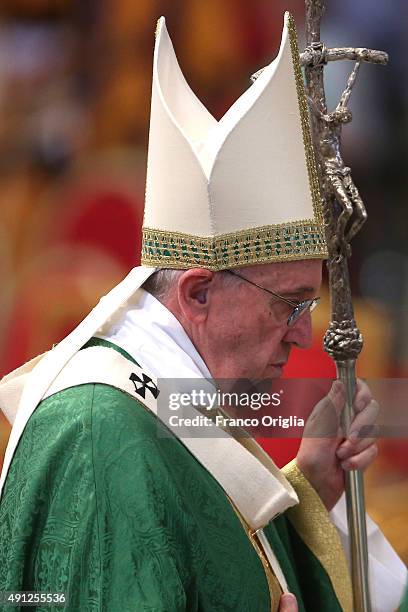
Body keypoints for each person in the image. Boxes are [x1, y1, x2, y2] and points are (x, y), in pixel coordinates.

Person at [0, 12, 406, 612]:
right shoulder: (98, 432)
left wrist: (309, 489)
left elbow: (213, 546)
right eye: (289, 306)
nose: (303, 337)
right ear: (196, 294)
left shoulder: (171, 389)